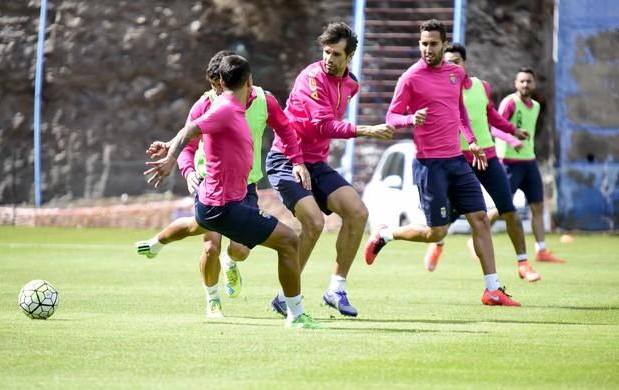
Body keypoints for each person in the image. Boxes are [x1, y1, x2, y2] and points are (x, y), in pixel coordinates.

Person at [141, 54, 321, 328]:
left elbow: (193, 130)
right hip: (221, 202)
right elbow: (190, 129)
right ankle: (295, 315)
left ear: (222, 81)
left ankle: (157, 243)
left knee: (204, 230)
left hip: (226, 199)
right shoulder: (222, 107)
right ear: (249, 80)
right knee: (288, 241)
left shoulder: (248, 103)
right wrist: (173, 160)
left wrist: (169, 146)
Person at [364, 19, 521, 307]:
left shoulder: (456, 74)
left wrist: (471, 140)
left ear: (444, 44)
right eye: (423, 43)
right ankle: (385, 234)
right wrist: (411, 119)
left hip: (457, 162)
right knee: (436, 232)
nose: (427, 48)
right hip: (429, 165)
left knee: (481, 219)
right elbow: (392, 117)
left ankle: (492, 289)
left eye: (433, 43)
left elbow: (459, 111)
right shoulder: (410, 78)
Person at [266, 22, 394, 318]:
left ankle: (335, 289)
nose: (329, 58)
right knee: (313, 222)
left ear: (349, 58)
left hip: (316, 163)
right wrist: (367, 130)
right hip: (286, 159)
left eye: (336, 54)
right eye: (326, 52)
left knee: (358, 213)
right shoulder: (311, 77)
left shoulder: (351, 85)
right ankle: (286, 297)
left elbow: (324, 130)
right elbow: (321, 125)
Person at [419, 43, 541, 283]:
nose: (452, 65)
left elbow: (491, 115)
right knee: (450, 216)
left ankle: (523, 263)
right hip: (458, 159)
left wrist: (512, 130)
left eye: (456, 61)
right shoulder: (440, 90)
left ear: (465, 63)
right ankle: (438, 244)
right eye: (448, 61)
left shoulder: (481, 86)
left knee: (509, 210)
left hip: (489, 157)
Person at [493, 67, 565, 263]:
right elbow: (495, 128)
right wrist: (513, 141)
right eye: (521, 81)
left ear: (534, 84)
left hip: (529, 162)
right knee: (503, 208)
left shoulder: (535, 106)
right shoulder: (509, 102)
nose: (525, 84)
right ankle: (476, 239)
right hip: (509, 163)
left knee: (538, 206)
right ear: (515, 83)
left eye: (528, 81)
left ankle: (541, 250)